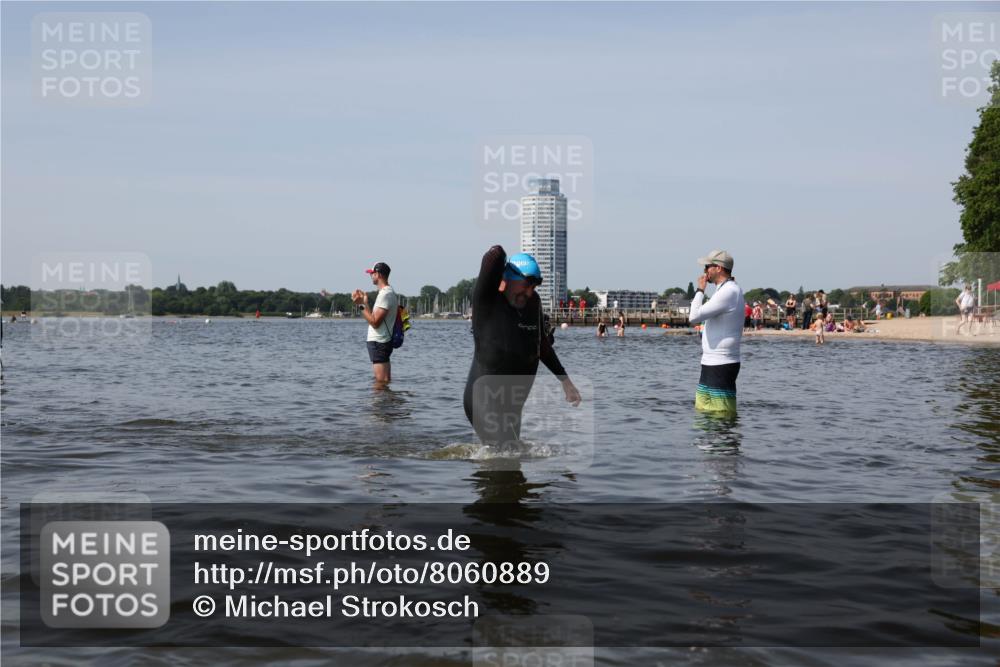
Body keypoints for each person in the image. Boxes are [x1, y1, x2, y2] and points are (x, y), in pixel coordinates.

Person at [463, 246, 581, 449]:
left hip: (513, 404)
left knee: (511, 467)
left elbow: (542, 345)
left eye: (533, 287)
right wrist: (503, 269)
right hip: (484, 399)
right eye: (525, 285)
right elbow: (494, 255)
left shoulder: (533, 303)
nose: (528, 292)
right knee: (504, 457)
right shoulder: (488, 301)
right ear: (507, 278)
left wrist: (565, 381)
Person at [689, 250, 745, 418]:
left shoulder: (729, 291)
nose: (705, 271)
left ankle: (724, 445)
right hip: (711, 360)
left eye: (708, 266)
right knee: (703, 414)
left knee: (721, 416)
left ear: (719, 268)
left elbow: (694, 317)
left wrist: (700, 289)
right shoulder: (723, 290)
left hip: (722, 362)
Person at [353, 261, 397, 386]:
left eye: (372, 273)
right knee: (385, 381)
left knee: (380, 383)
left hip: (379, 342)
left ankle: (378, 405)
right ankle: (387, 404)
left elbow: (375, 322)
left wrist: (360, 305)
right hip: (382, 342)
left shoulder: (385, 294)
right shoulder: (388, 292)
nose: (371, 276)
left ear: (378, 274)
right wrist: (365, 303)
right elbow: (374, 317)